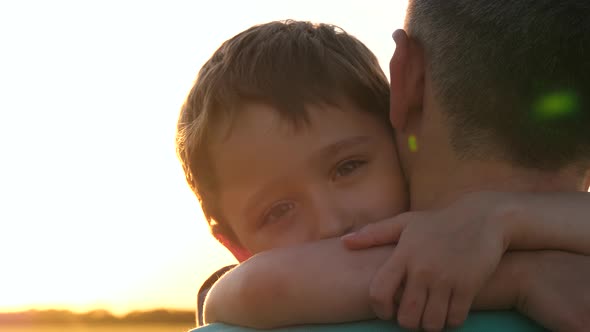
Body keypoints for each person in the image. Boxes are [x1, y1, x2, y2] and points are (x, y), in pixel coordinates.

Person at [176, 13, 590, 332]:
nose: (332, 222)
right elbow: (250, 289)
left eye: (348, 167)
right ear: (237, 249)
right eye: (278, 211)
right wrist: (518, 277)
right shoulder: (261, 300)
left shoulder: (471, 224)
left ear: (398, 136)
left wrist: (501, 216)